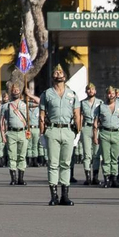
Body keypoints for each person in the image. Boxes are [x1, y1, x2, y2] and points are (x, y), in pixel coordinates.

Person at [39, 66, 81, 206]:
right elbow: (42, 115)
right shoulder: (47, 94)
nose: (59, 74)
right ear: (52, 77)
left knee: (66, 164)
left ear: (65, 76)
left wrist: (77, 131)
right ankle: (54, 196)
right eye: (56, 72)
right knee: (53, 164)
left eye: (61, 72)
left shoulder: (72, 94)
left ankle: (65, 195)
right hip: (53, 129)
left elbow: (77, 114)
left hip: (68, 130)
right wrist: (42, 132)